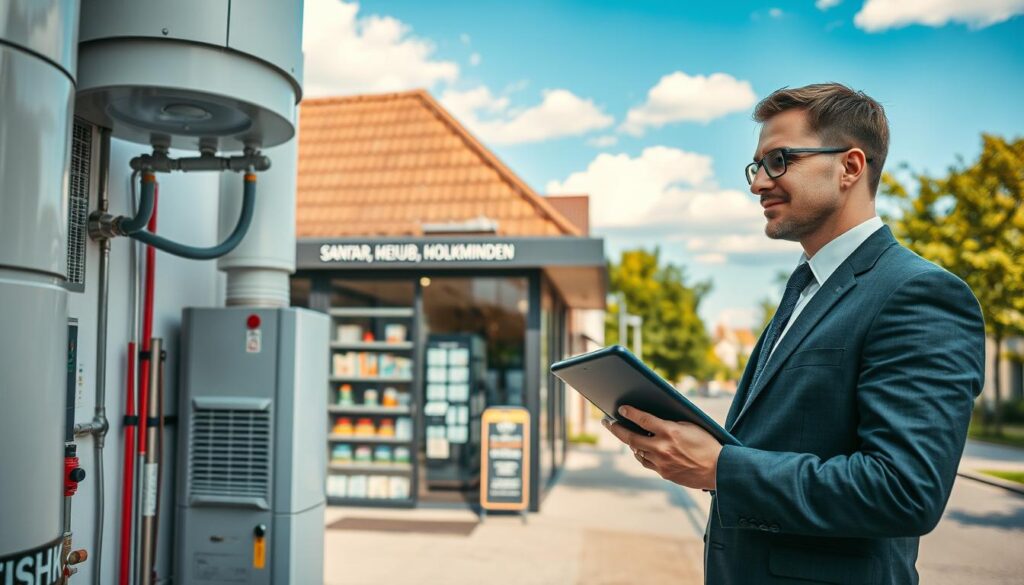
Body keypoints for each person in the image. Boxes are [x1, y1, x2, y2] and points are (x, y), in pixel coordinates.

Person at [601, 83, 985, 585]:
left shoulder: (920, 294)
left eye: (779, 160)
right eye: (757, 166)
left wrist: (722, 469)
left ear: (850, 167)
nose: (759, 182)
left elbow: (904, 490)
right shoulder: (805, 288)